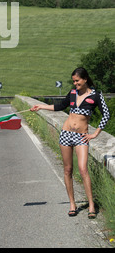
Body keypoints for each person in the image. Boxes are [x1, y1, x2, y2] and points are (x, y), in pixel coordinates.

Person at [30, 67, 110, 219]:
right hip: (66, 134)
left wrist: (95, 134)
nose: (75, 84)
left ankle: (91, 205)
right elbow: (59, 106)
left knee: (83, 169)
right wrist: (40, 107)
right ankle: (72, 204)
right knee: (67, 170)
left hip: (81, 136)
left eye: (77, 81)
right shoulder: (73, 93)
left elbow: (106, 114)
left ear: (85, 79)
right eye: (73, 81)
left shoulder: (96, 95)